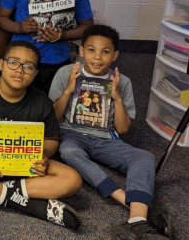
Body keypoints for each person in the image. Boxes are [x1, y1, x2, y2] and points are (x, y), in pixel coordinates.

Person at [49, 25, 172, 240]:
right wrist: (69, 89)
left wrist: (116, 97)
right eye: (91, 50)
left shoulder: (122, 82)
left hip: (105, 137)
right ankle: (129, 202)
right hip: (71, 134)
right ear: (81, 51)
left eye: (105, 51)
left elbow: (123, 129)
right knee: (68, 151)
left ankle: (135, 221)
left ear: (114, 55)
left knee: (144, 157)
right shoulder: (65, 73)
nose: (97, 57)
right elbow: (53, 118)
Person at [0, 41, 83, 230]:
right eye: (13, 62)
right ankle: (33, 206)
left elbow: (51, 140)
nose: (20, 70)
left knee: (72, 180)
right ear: (1, 64)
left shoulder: (41, 101)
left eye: (28, 66)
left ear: (35, 73)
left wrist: (42, 157)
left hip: (24, 163)